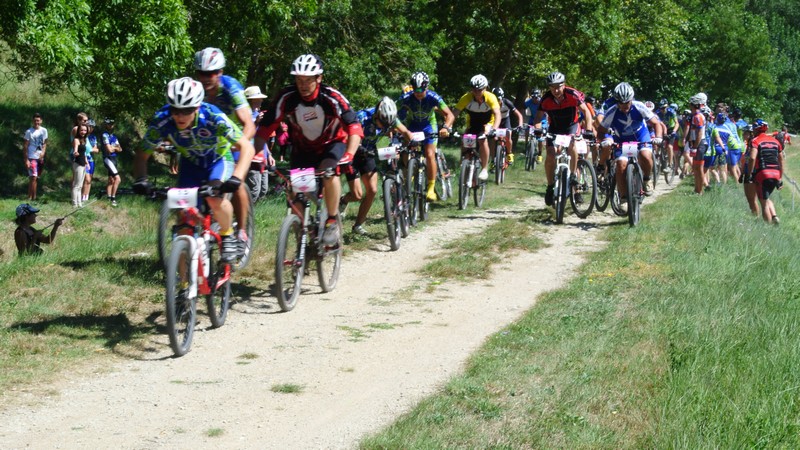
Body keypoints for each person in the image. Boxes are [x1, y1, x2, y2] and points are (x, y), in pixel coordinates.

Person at [134, 77, 256, 263]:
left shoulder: (213, 116)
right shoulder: (162, 120)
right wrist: (141, 180)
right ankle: (183, 279)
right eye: (175, 110)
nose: (180, 116)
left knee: (214, 198)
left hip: (218, 159)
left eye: (187, 110)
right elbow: (142, 154)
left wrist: (236, 178)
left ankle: (227, 234)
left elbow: (247, 148)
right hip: (191, 164)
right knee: (184, 219)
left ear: (197, 107)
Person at [254, 54, 363, 245]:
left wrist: (349, 154)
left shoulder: (331, 97)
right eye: (299, 80)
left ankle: (331, 220)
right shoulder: (287, 97)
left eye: (307, 80)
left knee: (329, 174)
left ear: (319, 78)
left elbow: (354, 126)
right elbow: (265, 128)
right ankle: (302, 242)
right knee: (295, 194)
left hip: (331, 145)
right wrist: (254, 154)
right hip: (302, 150)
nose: (302, 85)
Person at [194, 47, 255, 255]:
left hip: (236, 136)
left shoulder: (231, 87)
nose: (206, 78)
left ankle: (242, 233)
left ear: (220, 72)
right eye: (201, 73)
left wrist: (237, 144)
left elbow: (249, 124)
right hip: (209, 140)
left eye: (211, 73)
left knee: (235, 182)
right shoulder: (195, 90)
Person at [344, 97, 414, 234]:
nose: (385, 127)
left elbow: (406, 132)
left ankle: (358, 225)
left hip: (368, 153)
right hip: (352, 153)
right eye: (383, 123)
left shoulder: (391, 119)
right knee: (357, 195)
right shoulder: (362, 117)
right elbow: (348, 136)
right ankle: (343, 200)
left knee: (372, 190)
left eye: (389, 124)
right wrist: (358, 148)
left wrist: (412, 142)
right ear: (377, 115)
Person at [532, 71, 595, 205]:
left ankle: (573, 177)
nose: (556, 90)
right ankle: (550, 186)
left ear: (564, 85)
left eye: (558, 87)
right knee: (550, 154)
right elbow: (538, 117)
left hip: (571, 126)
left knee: (572, 145)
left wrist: (589, 130)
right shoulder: (546, 99)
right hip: (554, 128)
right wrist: (537, 129)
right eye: (552, 87)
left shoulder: (572, 94)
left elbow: (586, 112)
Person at [596, 82, 662, 200]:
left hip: (641, 136)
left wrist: (658, 137)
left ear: (632, 99)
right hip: (623, 140)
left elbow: (656, 123)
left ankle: (647, 179)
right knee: (621, 165)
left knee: (645, 155)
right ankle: (623, 198)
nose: (624, 105)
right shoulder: (612, 111)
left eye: (627, 102)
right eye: (621, 103)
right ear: (617, 101)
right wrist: (604, 140)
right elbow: (600, 131)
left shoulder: (639, 106)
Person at [397, 71, 455, 201]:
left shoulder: (433, 97)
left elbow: (450, 115)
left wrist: (445, 127)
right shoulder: (407, 98)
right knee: (405, 150)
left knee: (429, 154)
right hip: (413, 125)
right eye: (415, 89)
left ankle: (431, 189)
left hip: (429, 126)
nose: (418, 93)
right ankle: (410, 171)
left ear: (426, 87)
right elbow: (396, 114)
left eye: (421, 90)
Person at [452, 74, 501, 181]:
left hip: (488, 123)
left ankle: (484, 168)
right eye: (474, 89)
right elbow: (455, 113)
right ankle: (465, 166)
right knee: (465, 142)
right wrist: (448, 126)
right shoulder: (466, 98)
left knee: (482, 139)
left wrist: (494, 129)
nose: (477, 92)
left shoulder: (491, 97)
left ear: (485, 88)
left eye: (480, 89)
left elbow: (497, 114)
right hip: (473, 124)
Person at [744, 119, 784, 224]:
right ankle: (774, 216)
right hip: (776, 173)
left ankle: (768, 226)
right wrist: (780, 178)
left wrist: (750, 174)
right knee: (766, 198)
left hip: (763, 173)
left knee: (764, 203)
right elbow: (781, 160)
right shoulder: (776, 142)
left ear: (756, 129)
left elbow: (752, 158)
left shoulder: (755, 141)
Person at [244, 85, 274, 201]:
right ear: (251, 101)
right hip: (253, 158)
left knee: (263, 190)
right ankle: (246, 210)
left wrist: (269, 154)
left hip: (263, 157)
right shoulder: (245, 117)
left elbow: (262, 137)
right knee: (254, 191)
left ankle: (253, 209)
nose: (261, 101)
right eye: (258, 99)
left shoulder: (259, 115)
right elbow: (245, 136)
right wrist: (256, 123)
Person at [492, 87, 524, 163]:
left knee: (508, 136)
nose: (498, 102)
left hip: (505, 120)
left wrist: (520, 125)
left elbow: (519, 115)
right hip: (495, 121)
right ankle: (493, 159)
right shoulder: (490, 103)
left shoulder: (506, 102)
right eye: (495, 100)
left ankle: (509, 153)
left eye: (499, 99)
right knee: (493, 139)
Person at [24, 113, 49, 201]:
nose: (36, 122)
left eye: (38, 120)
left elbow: (45, 143)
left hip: (40, 157)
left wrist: (43, 152)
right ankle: (32, 198)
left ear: (41, 121)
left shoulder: (44, 130)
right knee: (33, 177)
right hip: (32, 157)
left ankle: (31, 196)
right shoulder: (29, 132)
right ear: (32, 121)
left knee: (35, 177)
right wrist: (26, 159)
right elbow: (25, 146)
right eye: (35, 120)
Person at [101, 118, 123, 206]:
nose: (111, 125)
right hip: (108, 158)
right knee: (118, 179)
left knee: (111, 180)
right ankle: (113, 199)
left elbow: (120, 149)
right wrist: (115, 148)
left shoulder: (114, 136)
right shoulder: (104, 135)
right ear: (106, 125)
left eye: (112, 124)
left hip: (114, 159)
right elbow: (109, 150)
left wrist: (113, 147)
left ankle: (108, 198)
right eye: (109, 124)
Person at [71, 124, 89, 207]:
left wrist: (87, 163)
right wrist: (75, 153)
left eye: (85, 130)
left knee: (80, 186)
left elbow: (84, 153)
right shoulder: (76, 140)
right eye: (82, 130)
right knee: (76, 185)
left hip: (83, 164)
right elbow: (75, 150)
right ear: (78, 131)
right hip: (78, 164)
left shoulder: (84, 140)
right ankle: (74, 203)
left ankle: (79, 203)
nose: (83, 132)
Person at [82, 119, 100, 203]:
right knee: (86, 179)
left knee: (90, 180)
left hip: (91, 160)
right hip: (84, 159)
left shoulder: (93, 137)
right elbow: (84, 148)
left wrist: (91, 149)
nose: (91, 128)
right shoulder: (83, 135)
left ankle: (86, 197)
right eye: (89, 126)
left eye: (93, 127)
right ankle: (82, 196)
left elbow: (96, 149)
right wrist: (91, 149)